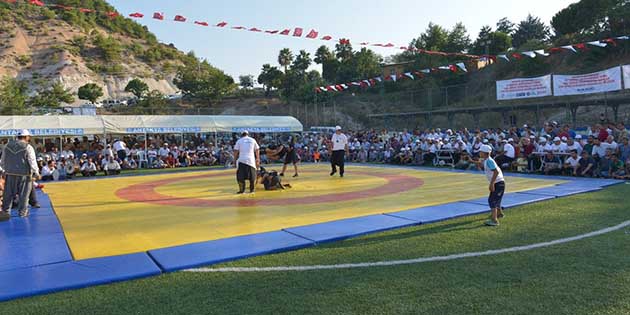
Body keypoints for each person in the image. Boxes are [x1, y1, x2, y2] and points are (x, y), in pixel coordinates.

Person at [0, 129, 41, 220]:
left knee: (8, 194)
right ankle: (22, 212)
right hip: (24, 175)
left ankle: (5, 212)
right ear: (26, 137)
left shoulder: (7, 146)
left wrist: (4, 170)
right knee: (24, 195)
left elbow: (2, 161)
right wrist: (37, 172)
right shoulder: (28, 147)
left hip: (10, 173)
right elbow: (32, 161)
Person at [478, 145, 505, 227]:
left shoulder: (489, 161)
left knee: (492, 200)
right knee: (496, 199)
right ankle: (499, 213)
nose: (479, 153)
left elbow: (496, 172)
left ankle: (494, 220)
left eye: (481, 152)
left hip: (498, 183)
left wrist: (492, 183)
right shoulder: (487, 160)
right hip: (499, 183)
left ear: (485, 153)